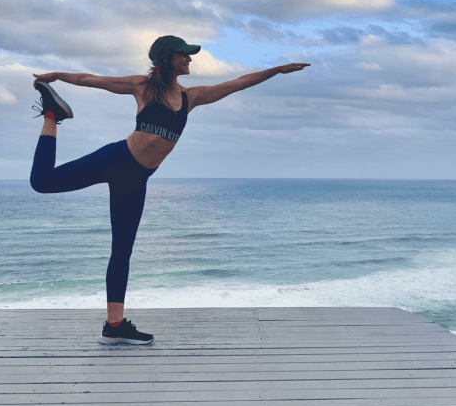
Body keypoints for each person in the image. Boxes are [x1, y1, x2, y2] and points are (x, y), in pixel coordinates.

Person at [29, 35, 310, 345]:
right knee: (41, 182)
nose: (189, 60)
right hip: (116, 159)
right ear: (166, 58)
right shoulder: (142, 87)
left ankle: (114, 326)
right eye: (183, 55)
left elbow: (235, 84)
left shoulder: (192, 97)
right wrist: (57, 76)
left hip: (137, 180)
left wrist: (277, 70)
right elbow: (91, 79)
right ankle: (53, 116)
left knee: (122, 252)